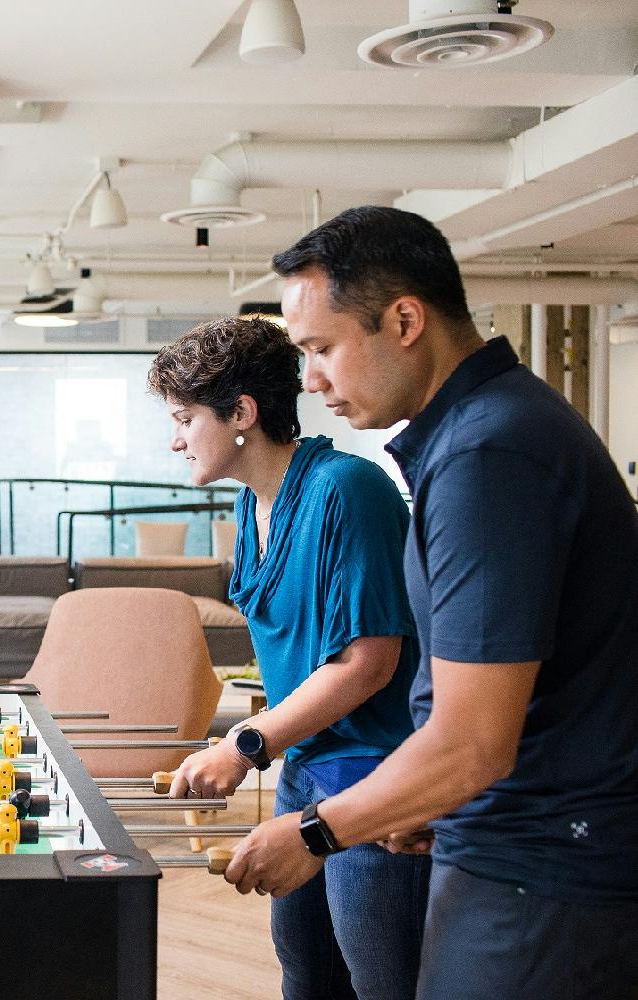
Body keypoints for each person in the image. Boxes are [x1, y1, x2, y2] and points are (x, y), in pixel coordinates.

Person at [223, 205, 638, 999]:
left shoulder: (491, 451)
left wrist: (316, 831)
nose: (310, 380)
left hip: (543, 872)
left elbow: (473, 743)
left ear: (405, 319)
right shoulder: (484, 434)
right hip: (506, 846)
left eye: (321, 349)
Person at [149, 316, 429, 999]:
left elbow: (368, 663)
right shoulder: (252, 505)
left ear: (241, 413)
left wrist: (244, 743)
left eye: (186, 418)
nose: (175, 438)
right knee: (307, 973)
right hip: (306, 767)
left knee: (382, 983)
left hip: (374, 778)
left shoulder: (347, 489)